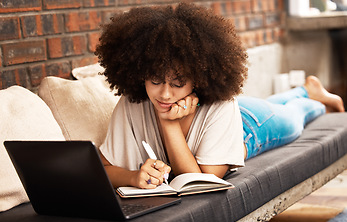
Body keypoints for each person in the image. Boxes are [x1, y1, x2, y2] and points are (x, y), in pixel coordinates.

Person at [95, 3, 345, 190]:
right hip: (234, 117)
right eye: (155, 80)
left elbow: (201, 180)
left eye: (178, 83)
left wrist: (168, 122)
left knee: (295, 116)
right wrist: (132, 177)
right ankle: (305, 89)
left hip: (249, 126)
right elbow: (103, 167)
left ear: (199, 77)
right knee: (273, 103)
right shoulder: (132, 103)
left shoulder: (222, 103)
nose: (165, 94)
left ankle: (312, 96)